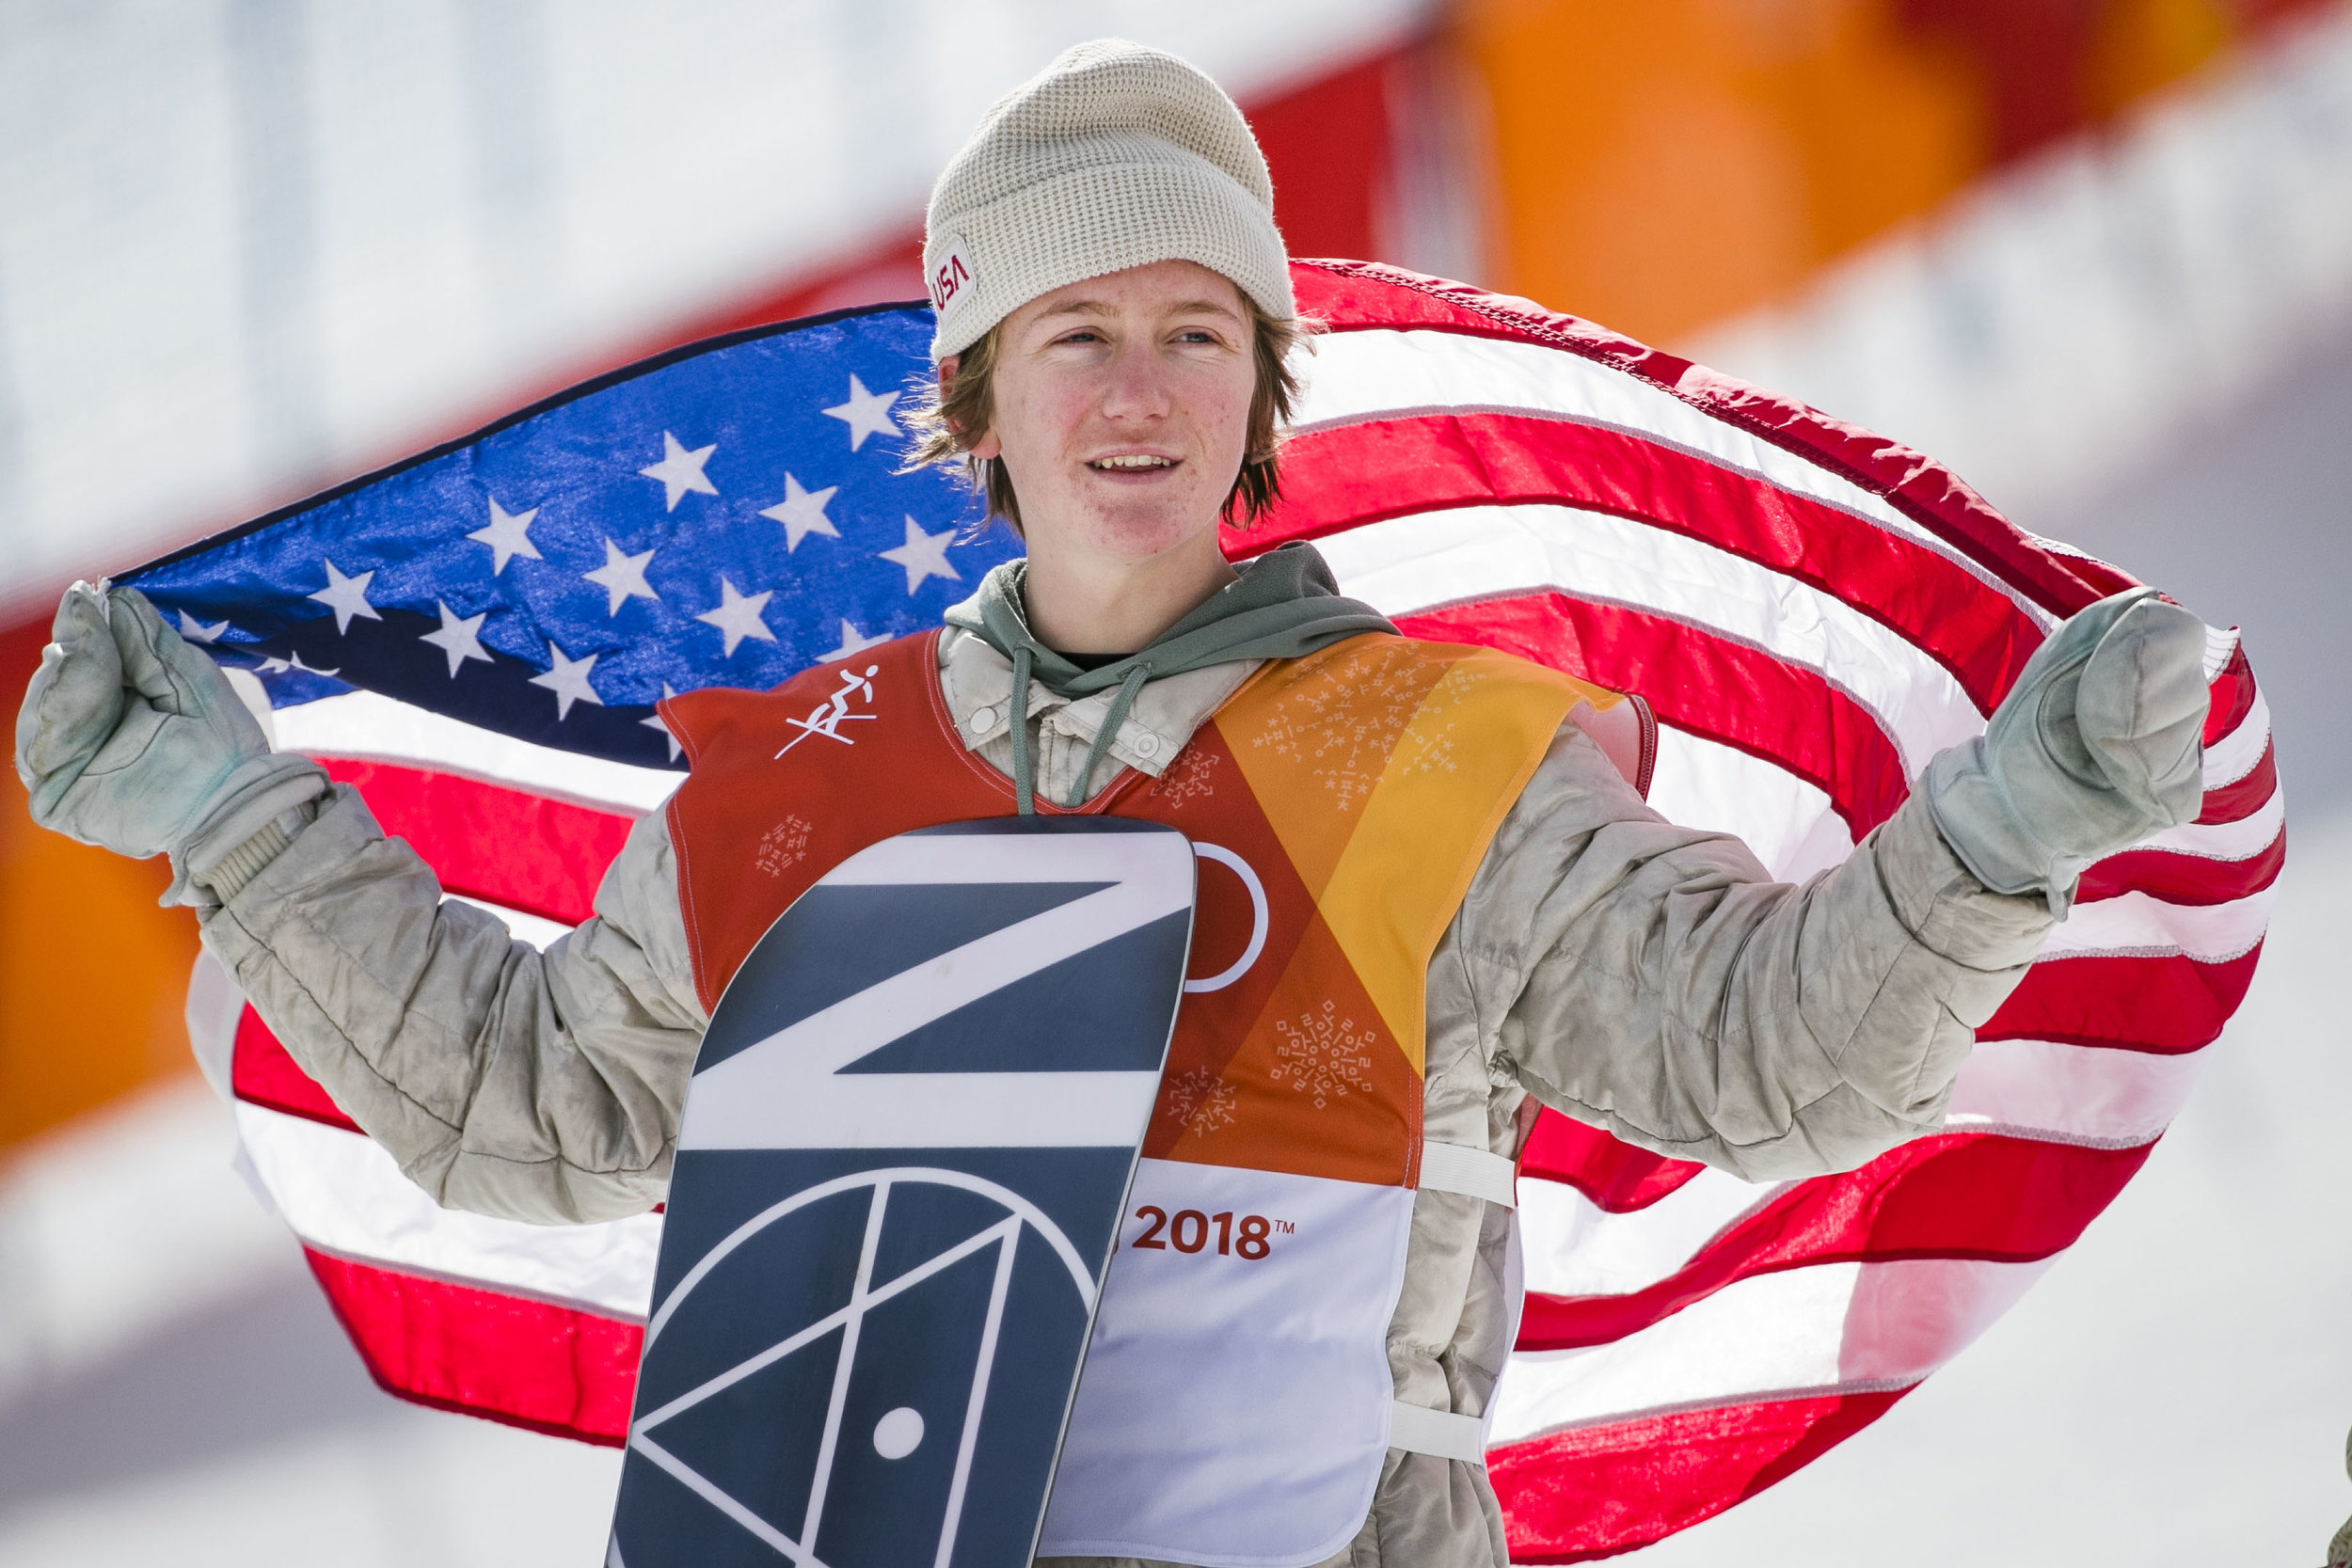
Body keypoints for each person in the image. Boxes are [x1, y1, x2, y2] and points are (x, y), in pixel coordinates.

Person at [13, 38, 2213, 1568]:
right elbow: (529, 1114)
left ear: (1265, 389)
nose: (1139, 388)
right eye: (1074, 333)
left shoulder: (1435, 759)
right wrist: (233, 817)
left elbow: (1765, 1061)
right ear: (974, 405)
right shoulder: (813, 776)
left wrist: (2010, 821)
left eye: (1195, 328)